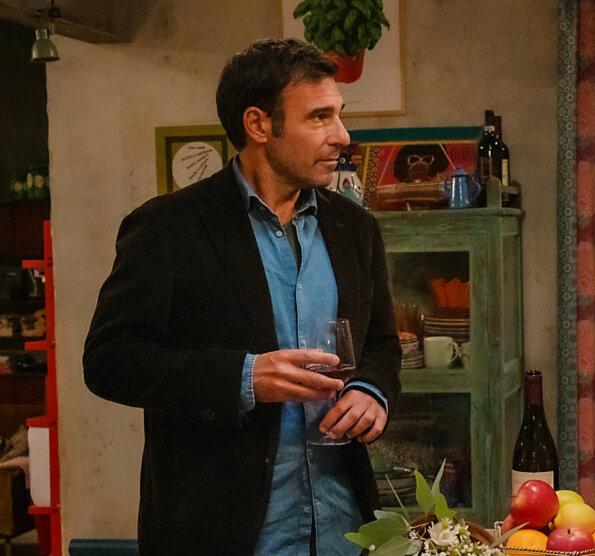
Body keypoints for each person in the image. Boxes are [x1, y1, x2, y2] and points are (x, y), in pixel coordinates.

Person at [83, 38, 401, 554]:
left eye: (339, 114)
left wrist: (372, 390)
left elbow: (383, 342)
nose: (342, 136)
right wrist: (244, 377)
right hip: (221, 533)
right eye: (319, 117)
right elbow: (108, 360)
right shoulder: (168, 227)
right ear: (258, 125)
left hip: (345, 531)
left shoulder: (356, 228)